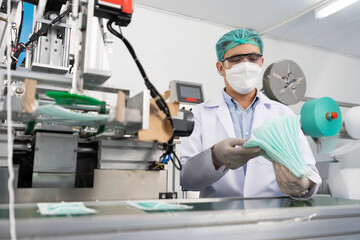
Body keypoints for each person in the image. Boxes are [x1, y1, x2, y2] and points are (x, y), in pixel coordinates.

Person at [180, 29, 322, 199]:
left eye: (253, 59)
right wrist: (215, 158)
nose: (246, 65)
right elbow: (186, 179)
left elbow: (311, 172)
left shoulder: (283, 113)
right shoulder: (199, 115)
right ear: (220, 68)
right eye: (235, 60)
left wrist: (303, 185)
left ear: (261, 62)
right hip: (219, 217)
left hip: (274, 216)